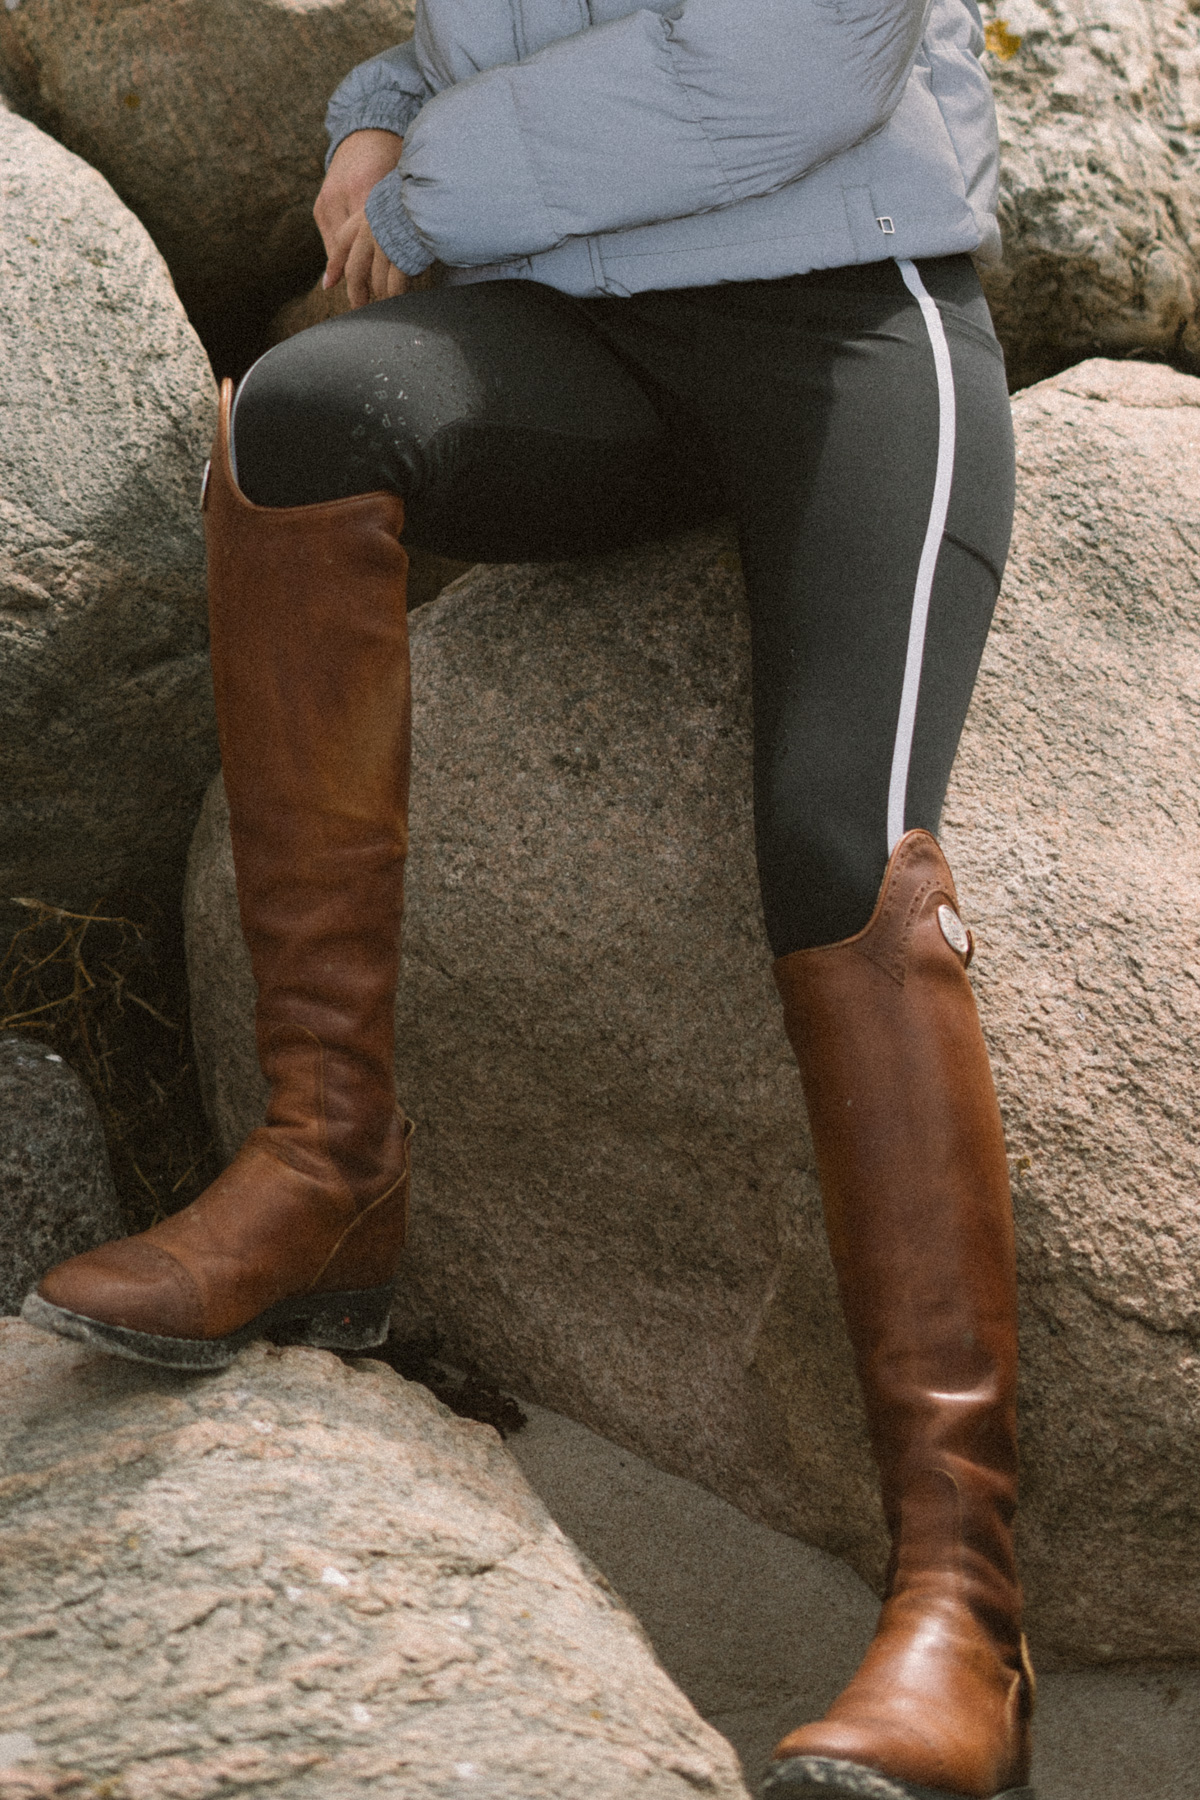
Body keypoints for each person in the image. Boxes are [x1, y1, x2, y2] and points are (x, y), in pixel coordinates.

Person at [25, 1, 1033, 1794]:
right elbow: (479, 36)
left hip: (854, 312)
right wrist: (374, 111)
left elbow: (796, 67)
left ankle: (968, 1607)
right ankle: (327, 1168)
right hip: (587, 323)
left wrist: (425, 185)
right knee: (298, 422)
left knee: (842, 849)